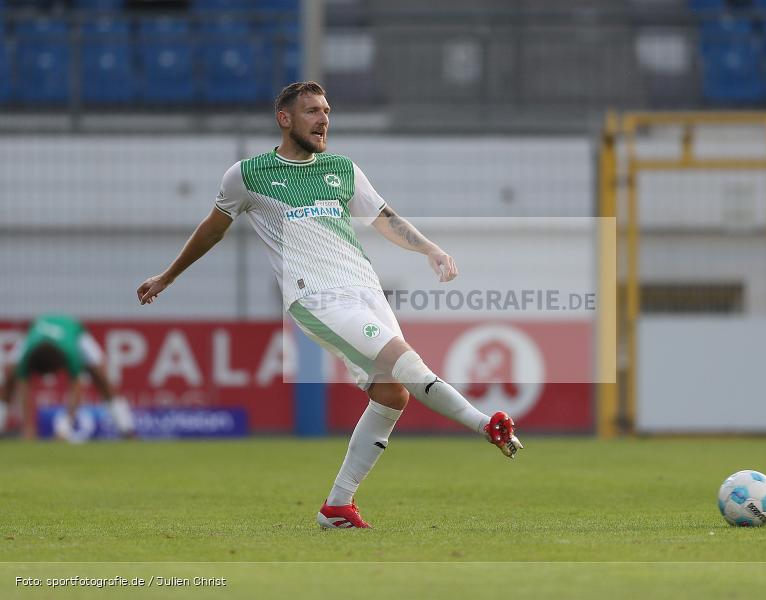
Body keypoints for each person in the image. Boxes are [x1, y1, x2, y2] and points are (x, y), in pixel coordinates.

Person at [136, 81, 523, 529]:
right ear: (285, 119)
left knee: (392, 393)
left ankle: (337, 507)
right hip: (316, 297)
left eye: (327, 110)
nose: (323, 119)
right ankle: (484, 424)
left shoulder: (342, 169)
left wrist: (430, 249)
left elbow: (385, 218)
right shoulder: (247, 175)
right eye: (312, 111)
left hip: (366, 292)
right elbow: (212, 229)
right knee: (405, 363)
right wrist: (168, 276)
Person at [0, 314, 135, 440]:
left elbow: (76, 389)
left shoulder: (71, 353)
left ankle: (126, 428)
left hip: (76, 333)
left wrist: (64, 426)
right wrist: (28, 429)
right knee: (9, 380)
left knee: (102, 379)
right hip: (35, 333)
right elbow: (24, 391)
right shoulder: (25, 356)